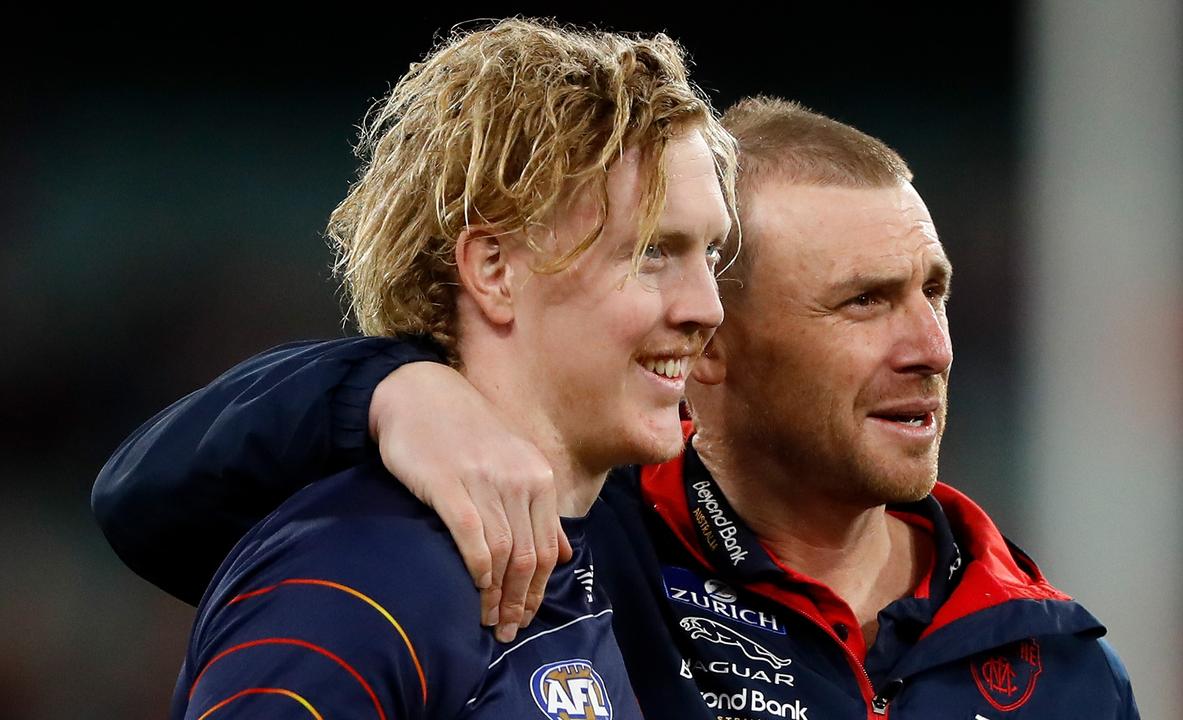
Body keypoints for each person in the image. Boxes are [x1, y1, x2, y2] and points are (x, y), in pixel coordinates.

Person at [94, 98, 1141, 718]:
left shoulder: (1060, 665)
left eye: (934, 292)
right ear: (708, 345)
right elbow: (145, 498)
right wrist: (384, 389)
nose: (930, 348)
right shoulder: (577, 547)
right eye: (862, 304)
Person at [123, 18, 738, 719]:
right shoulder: (357, 577)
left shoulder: (597, 557)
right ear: (494, 269)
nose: (708, 306)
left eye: (712, 255)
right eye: (652, 252)